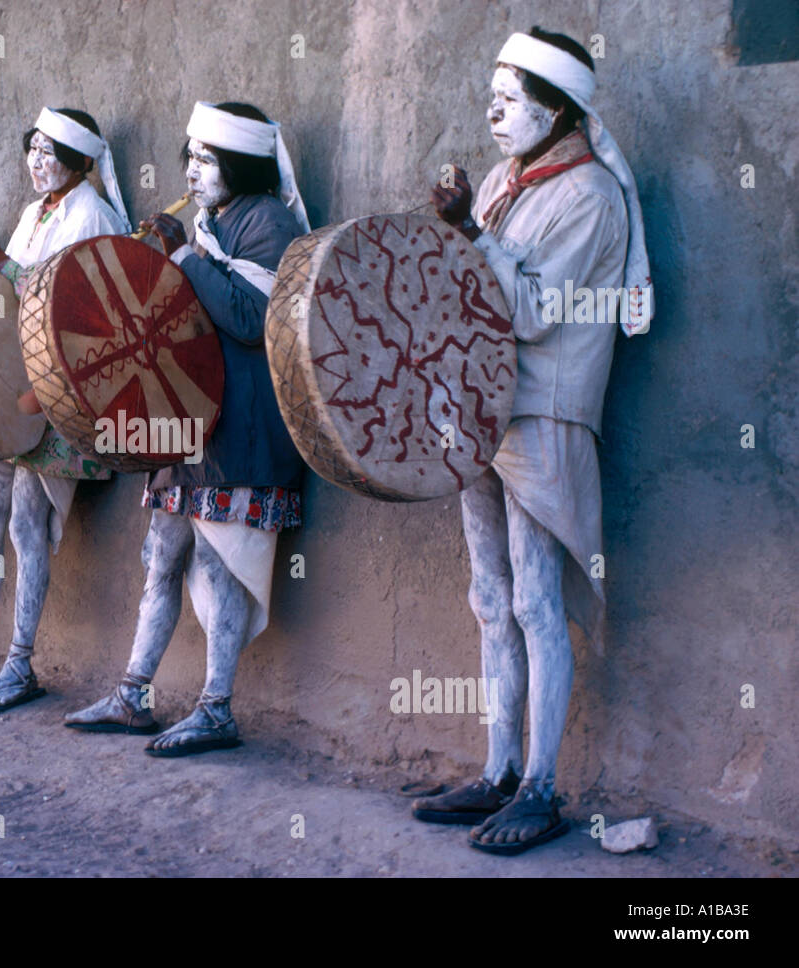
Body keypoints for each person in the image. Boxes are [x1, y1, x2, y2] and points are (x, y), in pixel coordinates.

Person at [413, 27, 653, 854]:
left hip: (542, 417)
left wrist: (471, 238)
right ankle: (498, 771)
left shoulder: (589, 196)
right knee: (490, 598)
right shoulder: (503, 181)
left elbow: (530, 311)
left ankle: (543, 788)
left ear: (555, 112)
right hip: (482, 414)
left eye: (508, 100)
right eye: (492, 96)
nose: (492, 111)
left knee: (533, 603)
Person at [64, 101, 310, 756]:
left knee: (218, 562)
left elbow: (249, 318)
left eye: (207, 159)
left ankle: (217, 708)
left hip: (241, 430)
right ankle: (134, 693)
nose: (193, 172)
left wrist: (186, 258)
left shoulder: (270, 221)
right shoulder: (208, 223)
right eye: (190, 158)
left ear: (244, 164)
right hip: (188, 424)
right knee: (161, 559)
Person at [0, 106, 130, 714]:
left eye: (50, 151)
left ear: (82, 161)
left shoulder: (91, 214)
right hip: (16, 391)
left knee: (24, 523)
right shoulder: (38, 212)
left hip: (60, 393)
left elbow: (66, 300)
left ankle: (19, 665)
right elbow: (7, 299)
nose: (36, 161)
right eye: (31, 148)